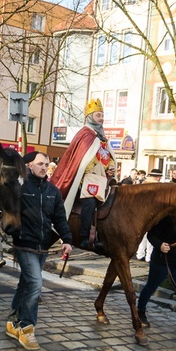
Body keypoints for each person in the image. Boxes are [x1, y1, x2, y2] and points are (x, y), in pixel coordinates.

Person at [6, 151, 72, 350]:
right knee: (36, 283)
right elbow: (6, 203)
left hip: (43, 246)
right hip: (24, 243)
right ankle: (27, 328)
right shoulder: (21, 187)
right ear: (30, 166)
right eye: (40, 164)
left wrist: (67, 239)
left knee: (26, 283)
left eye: (46, 164)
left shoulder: (53, 191)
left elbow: (60, 218)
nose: (44, 167)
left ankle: (11, 321)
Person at [50, 99, 116, 251]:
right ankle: (85, 236)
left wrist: (110, 167)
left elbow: (108, 157)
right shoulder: (85, 134)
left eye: (102, 115)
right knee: (90, 201)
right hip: (85, 178)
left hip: (102, 178)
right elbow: (81, 159)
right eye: (98, 115)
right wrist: (94, 165)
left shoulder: (102, 137)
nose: (101, 118)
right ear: (90, 117)